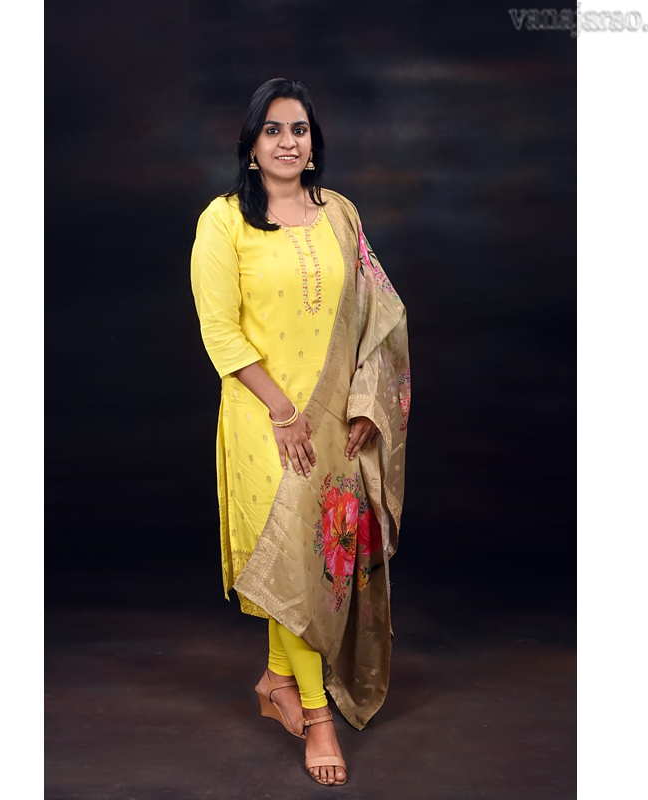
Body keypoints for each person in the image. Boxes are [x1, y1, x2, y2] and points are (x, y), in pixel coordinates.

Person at [190, 78, 411, 786]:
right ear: (252, 146)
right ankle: (318, 717)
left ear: (313, 144)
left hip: (332, 418)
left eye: (300, 129)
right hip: (265, 418)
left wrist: (365, 402)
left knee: (312, 561)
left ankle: (276, 680)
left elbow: (379, 312)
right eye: (274, 130)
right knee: (287, 557)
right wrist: (282, 411)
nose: (288, 142)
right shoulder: (224, 222)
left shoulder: (341, 214)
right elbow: (220, 330)